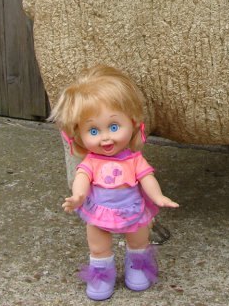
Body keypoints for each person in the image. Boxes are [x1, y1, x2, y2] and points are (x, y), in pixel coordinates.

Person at [49, 65, 179, 301]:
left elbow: (147, 178)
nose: (106, 137)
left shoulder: (134, 159)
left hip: (133, 210)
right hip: (100, 212)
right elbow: (82, 178)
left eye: (114, 127)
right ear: (79, 134)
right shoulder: (91, 162)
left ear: (133, 123)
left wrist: (158, 197)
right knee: (98, 246)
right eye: (93, 131)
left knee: (139, 241)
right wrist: (78, 196)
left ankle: (137, 267)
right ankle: (102, 275)